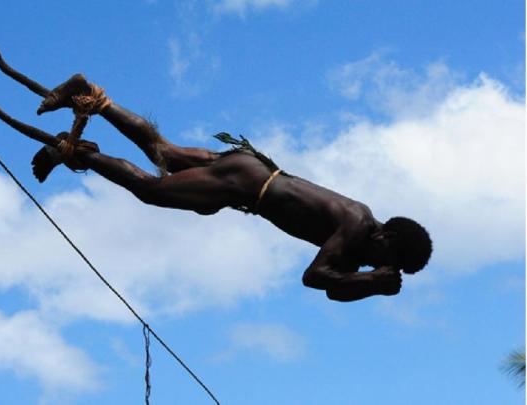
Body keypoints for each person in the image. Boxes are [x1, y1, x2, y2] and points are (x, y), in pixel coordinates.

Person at [32, 74, 432, 302]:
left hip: (253, 173)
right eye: (388, 257)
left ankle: (90, 97)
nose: (378, 265)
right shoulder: (356, 225)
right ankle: (76, 153)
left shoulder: (359, 239)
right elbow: (314, 277)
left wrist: (370, 284)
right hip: (246, 184)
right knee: (154, 189)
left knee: (164, 151)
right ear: (388, 235)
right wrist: (375, 283)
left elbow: (333, 291)